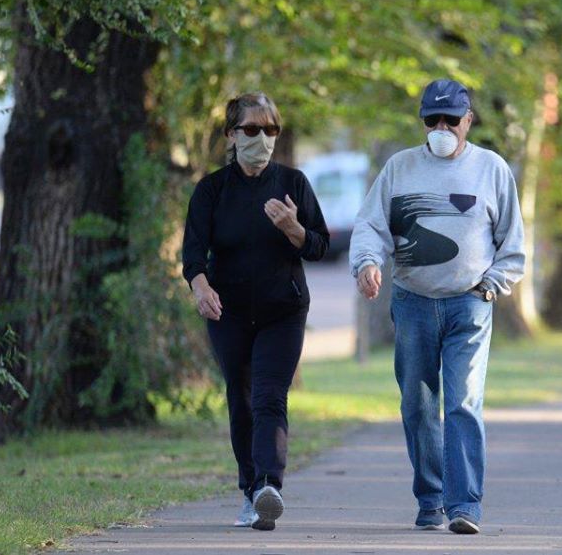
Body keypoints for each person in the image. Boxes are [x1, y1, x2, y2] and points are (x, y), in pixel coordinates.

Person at [349, 78, 525, 535]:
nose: (442, 127)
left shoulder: (491, 168)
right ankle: (430, 499)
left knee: (464, 401)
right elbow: (370, 224)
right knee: (418, 404)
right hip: (412, 303)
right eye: (433, 119)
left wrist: (491, 286)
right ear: (423, 122)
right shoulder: (399, 168)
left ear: (468, 120)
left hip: (470, 303)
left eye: (451, 119)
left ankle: (464, 504)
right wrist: (368, 263)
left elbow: (513, 243)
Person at [181, 92, 329, 531]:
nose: (262, 138)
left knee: (268, 396)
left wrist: (294, 229)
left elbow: (321, 245)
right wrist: (200, 287)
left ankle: (269, 487)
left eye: (270, 130)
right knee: (241, 400)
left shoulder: (293, 183)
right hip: (228, 311)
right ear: (231, 135)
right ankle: (249, 489)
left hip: (282, 310)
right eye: (251, 129)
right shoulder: (211, 190)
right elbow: (193, 255)